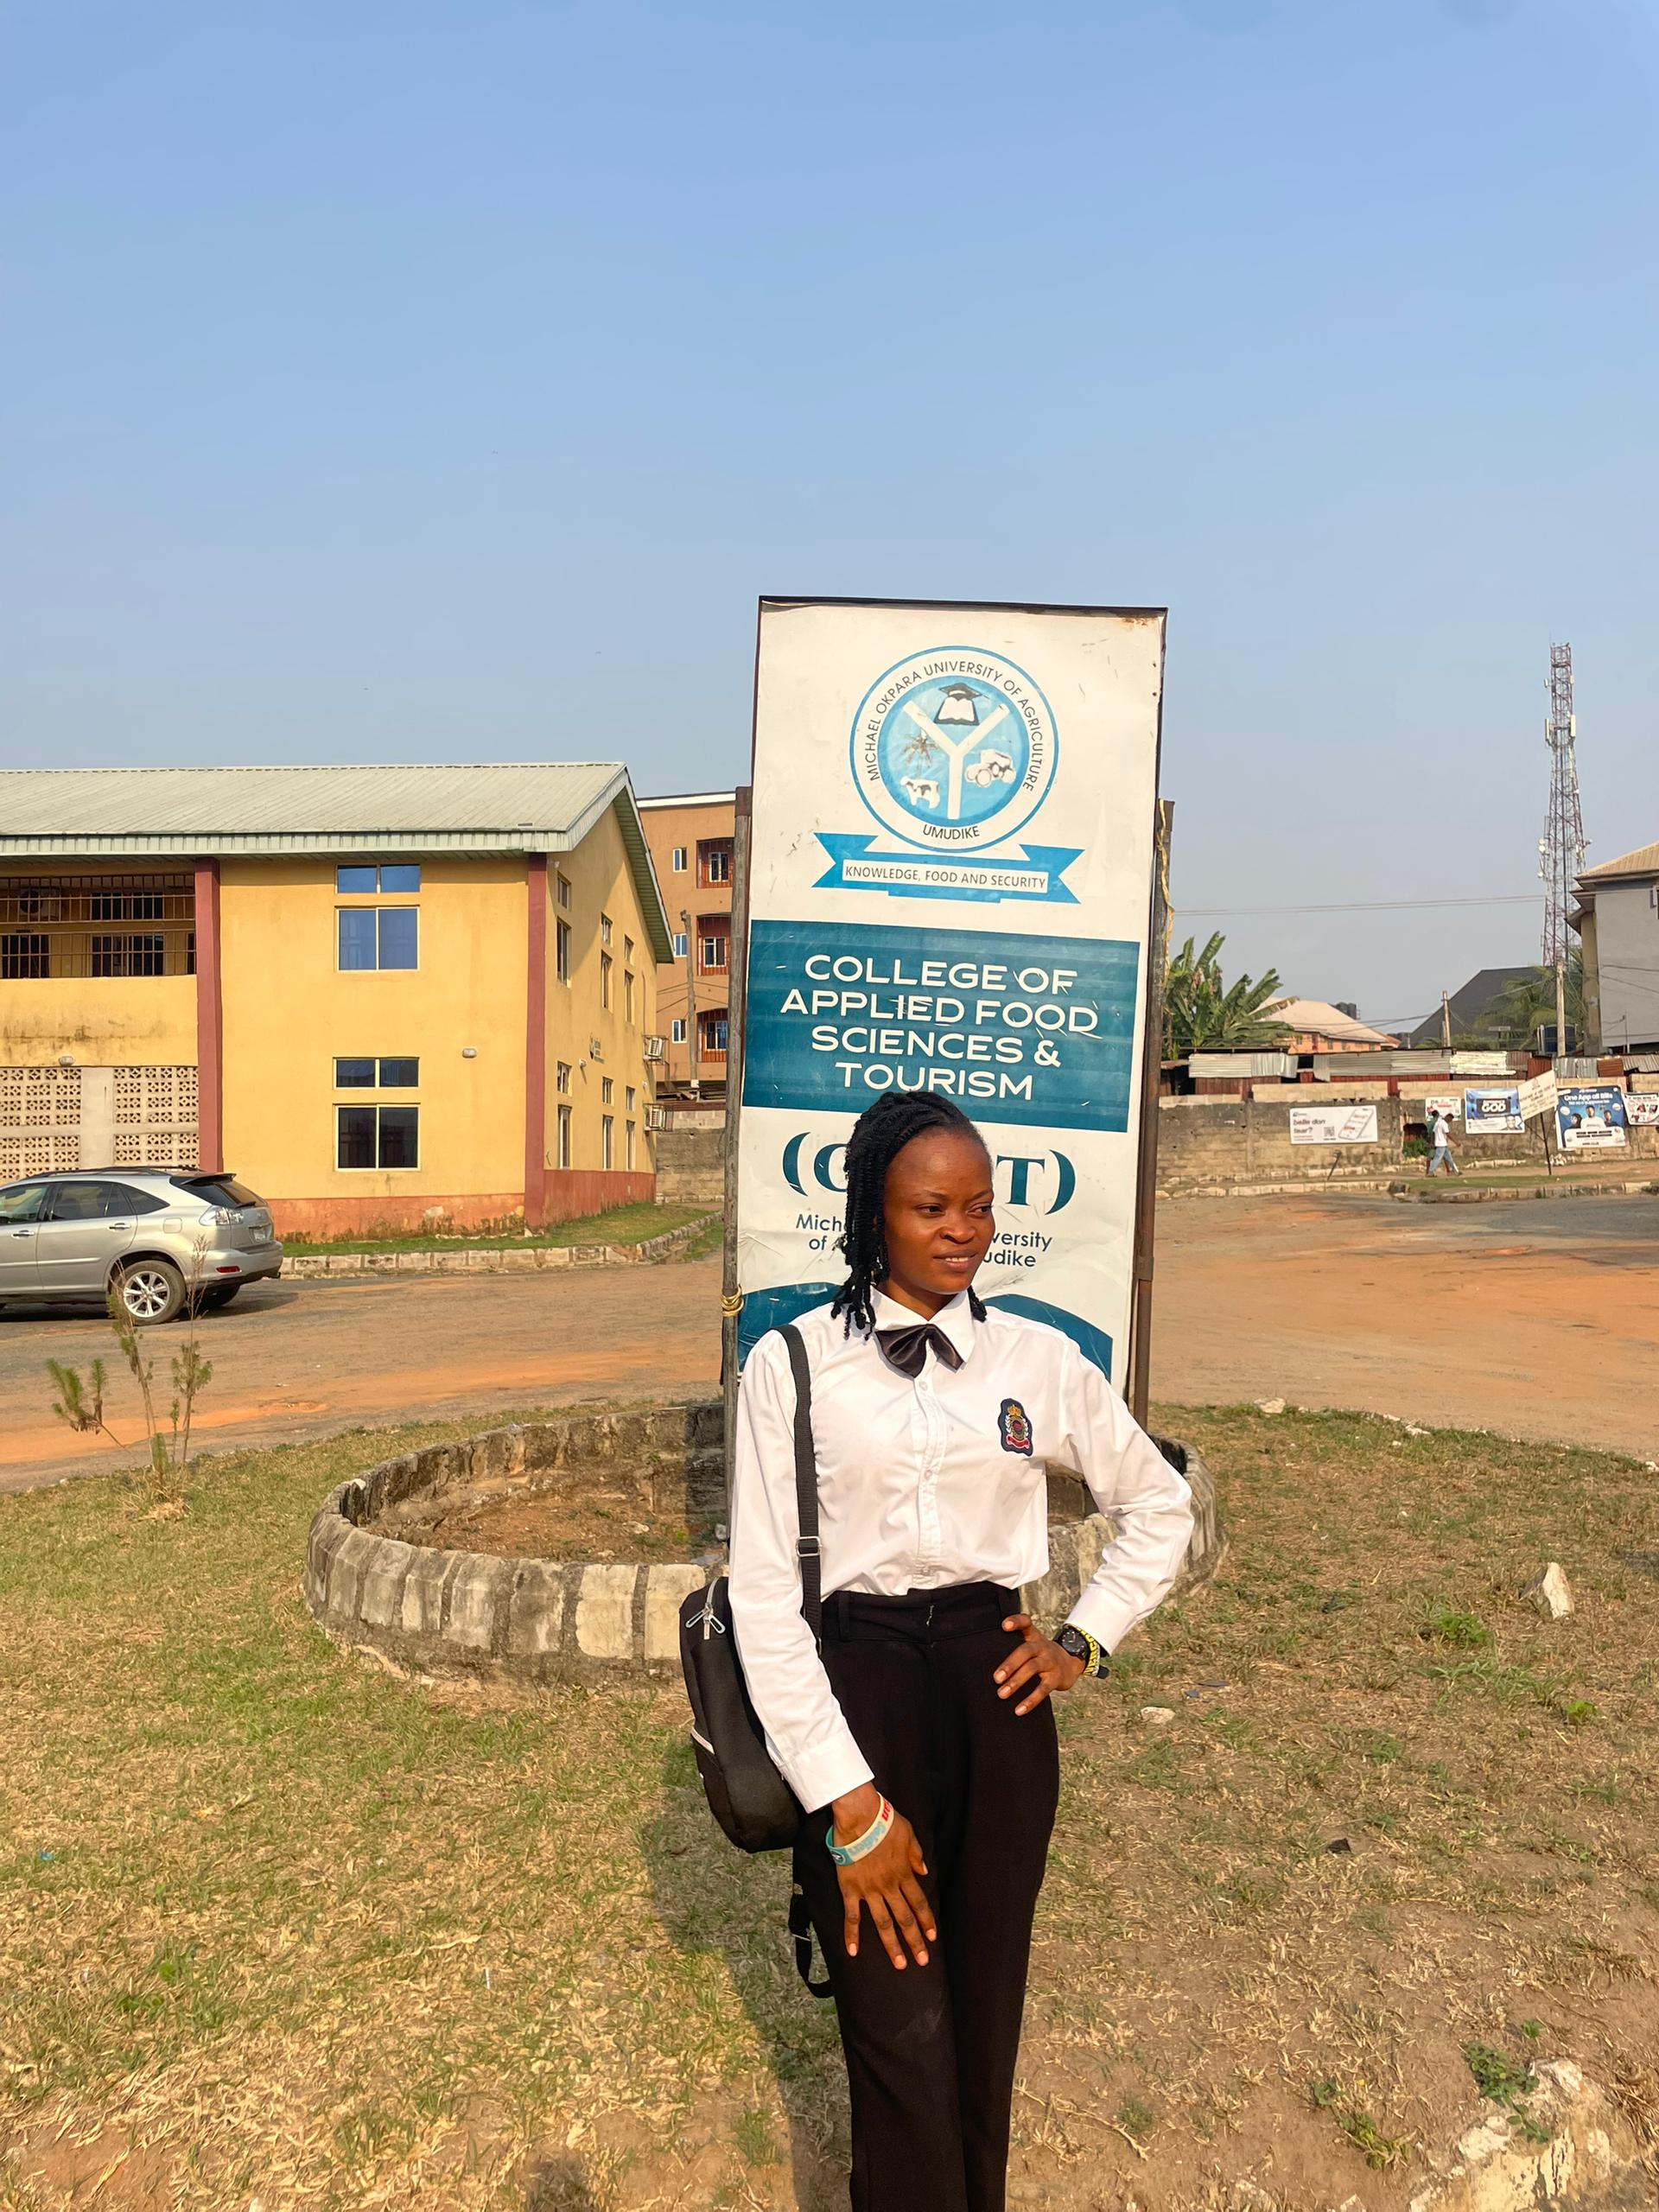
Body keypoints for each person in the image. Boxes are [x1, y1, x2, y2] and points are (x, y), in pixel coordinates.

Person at [728, 1090, 1194, 2212]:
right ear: (871, 1215)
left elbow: (1159, 1503)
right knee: (899, 2038)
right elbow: (763, 1596)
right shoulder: (790, 1365)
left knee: (986, 2019)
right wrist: (848, 1805)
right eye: (931, 1207)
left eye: (979, 1206)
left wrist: (1084, 1637)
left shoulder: (1038, 1358)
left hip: (998, 1702)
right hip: (859, 1697)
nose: (963, 1230)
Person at [1426, 1107, 1459, 1176]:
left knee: (1449, 1158)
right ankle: (1430, 1172)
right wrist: (1456, 1142)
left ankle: (1455, 1170)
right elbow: (1448, 1134)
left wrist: (1432, 1142)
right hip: (1441, 1144)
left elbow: (1433, 1133)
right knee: (1437, 1158)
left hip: (1442, 1144)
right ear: (1448, 1118)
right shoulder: (1444, 1124)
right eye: (1450, 1120)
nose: (1450, 1121)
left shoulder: (1438, 1123)